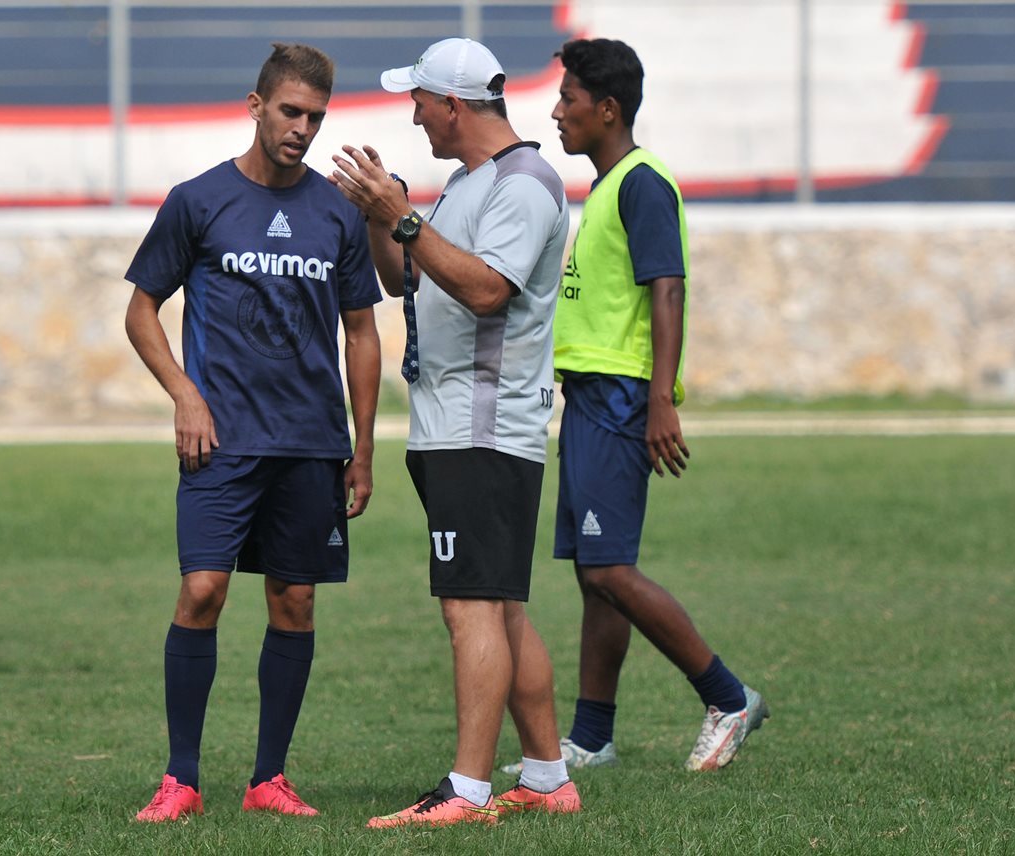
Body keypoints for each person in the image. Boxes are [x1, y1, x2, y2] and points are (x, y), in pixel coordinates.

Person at [124, 42, 382, 822]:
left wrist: (363, 446)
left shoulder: (338, 213)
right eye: (290, 112)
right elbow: (141, 311)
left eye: (315, 116)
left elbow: (362, 333)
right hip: (220, 441)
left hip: (310, 444)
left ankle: (269, 779)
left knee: (294, 601)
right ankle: (181, 779)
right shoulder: (198, 200)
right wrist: (184, 394)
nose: (301, 128)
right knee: (201, 591)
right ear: (256, 106)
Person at [329, 37, 581, 827]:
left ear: (454, 105)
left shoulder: (526, 183)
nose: (414, 115)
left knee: (470, 607)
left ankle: (467, 791)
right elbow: (405, 275)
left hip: (484, 427)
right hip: (456, 428)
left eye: (420, 102)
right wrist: (385, 218)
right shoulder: (470, 183)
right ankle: (547, 778)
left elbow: (484, 292)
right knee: (500, 606)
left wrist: (401, 216)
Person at [502, 38, 769, 775]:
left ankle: (727, 696)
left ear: (608, 109)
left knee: (613, 569)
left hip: (621, 398)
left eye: (570, 101)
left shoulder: (644, 183)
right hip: (591, 396)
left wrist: (660, 399)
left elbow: (668, 287)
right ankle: (591, 736)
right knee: (595, 574)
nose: (557, 113)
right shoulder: (611, 184)